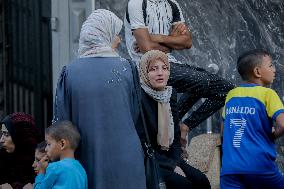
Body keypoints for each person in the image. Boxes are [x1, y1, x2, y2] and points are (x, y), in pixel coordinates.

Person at [125, 0, 235, 158]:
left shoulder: (172, 4)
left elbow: (187, 41)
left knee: (227, 89)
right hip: (147, 67)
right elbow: (146, 49)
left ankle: (184, 126)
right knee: (201, 80)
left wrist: (155, 37)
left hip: (171, 63)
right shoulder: (136, 3)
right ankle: (173, 133)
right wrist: (172, 40)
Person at [52, 9, 147, 189]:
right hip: (127, 159)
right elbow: (136, 112)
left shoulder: (69, 72)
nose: (118, 39)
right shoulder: (127, 67)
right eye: (116, 34)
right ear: (106, 34)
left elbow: (61, 123)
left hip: (87, 158)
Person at [136, 50, 211, 189]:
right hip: (149, 161)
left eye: (164, 68)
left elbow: (175, 136)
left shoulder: (169, 94)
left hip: (171, 157)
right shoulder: (139, 98)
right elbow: (142, 142)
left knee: (202, 181)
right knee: (183, 185)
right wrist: (171, 166)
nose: (160, 73)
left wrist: (176, 162)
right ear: (144, 72)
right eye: (153, 69)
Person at [221, 49, 284, 189]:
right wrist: (272, 134)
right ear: (257, 72)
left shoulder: (231, 95)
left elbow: (224, 131)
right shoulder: (267, 94)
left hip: (230, 169)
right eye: (271, 65)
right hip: (259, 167)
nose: (274, 69)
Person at [34, 121, 87, 189]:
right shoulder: (81, 170)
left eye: (49, 144)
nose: (46, 149)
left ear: (62, 144)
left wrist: (41, 172)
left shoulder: (54, 168)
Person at [0, 112, 41, 189]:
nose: (1, 140)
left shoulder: (43, 161)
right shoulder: (1, 160)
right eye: (2, 134)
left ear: (21, 137)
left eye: (6, 134)